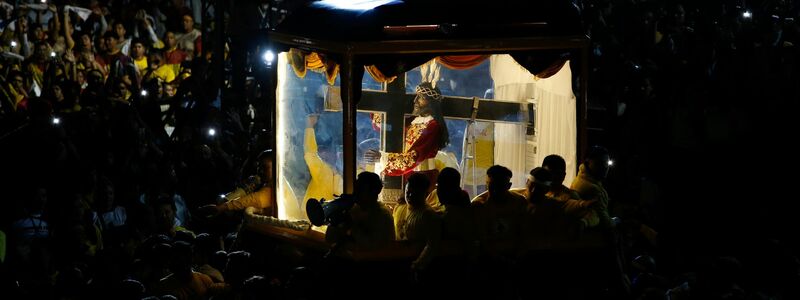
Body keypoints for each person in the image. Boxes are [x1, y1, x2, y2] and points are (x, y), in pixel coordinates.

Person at [366, 81, 449, 194]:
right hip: (407, 175)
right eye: (416, 96)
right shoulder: (414, 121)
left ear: (431, 102)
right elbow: (389, 126)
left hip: (421, 179)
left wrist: (382, 158)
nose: (415, 101)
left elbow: (414, 157)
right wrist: (376, 103)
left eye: (420, 98)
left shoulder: (433, 126)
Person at [325, 171, 394, 250]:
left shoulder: (383, 215)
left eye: (360, 189)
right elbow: (329, 238)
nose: (355, 193)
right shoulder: (355, 209)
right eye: (356, 189)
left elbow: (372, 247)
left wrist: (351, 224)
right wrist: (336, 217)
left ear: (373, 192)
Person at [393, 172, 441, 272]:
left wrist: (417, 265)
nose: (409, 195)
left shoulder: (428, 215)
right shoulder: (399, 208)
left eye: (414, 193)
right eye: (407, 192)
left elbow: (432, 246)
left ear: (425, 193)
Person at [570, 146, 613, 229]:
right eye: (600, 163)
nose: (605, 167)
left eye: (607, 163)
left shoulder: (583, 179)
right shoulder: (592, 188)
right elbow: (604, 220)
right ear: (588, 162)